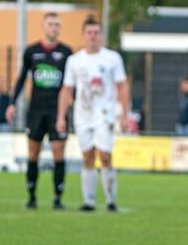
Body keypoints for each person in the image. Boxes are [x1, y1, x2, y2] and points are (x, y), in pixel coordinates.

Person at [57, 16, 129, 213]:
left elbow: (122, 86)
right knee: (87, 156)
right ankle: (89, 202)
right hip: (83, 115)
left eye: (96, 33)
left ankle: (110, 200)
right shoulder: (74, 61)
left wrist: (125, 115)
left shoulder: (112, 58)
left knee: (105, 155)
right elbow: (66, 90)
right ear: (83, 35)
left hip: (105, 114)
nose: (93, 37)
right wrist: (61, 116)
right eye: (89, 33)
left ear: (101, 35)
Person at [8, 12, 74, 209]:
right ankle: (32, 196)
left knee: (58, 152)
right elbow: (21, 79)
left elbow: (71, 84)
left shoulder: (66, 52)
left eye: (57, 25)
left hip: (57, 110)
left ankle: (57, 198)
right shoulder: (31, 51)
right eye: (50, 24)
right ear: (43, 26)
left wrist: (75, 106)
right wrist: (12, 102)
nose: (54, 28)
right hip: (36, 110)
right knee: (33, 153)